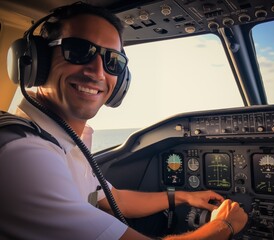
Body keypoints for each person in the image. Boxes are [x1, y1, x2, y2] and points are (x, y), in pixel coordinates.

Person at [0, 2, 248, 239]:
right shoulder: (23, 154)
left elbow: (113, 199)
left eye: (113, 61)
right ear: (35, 60)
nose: (97, 71)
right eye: (77, 51)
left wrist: (184, 197)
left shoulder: (62, 142)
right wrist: (224, 225)